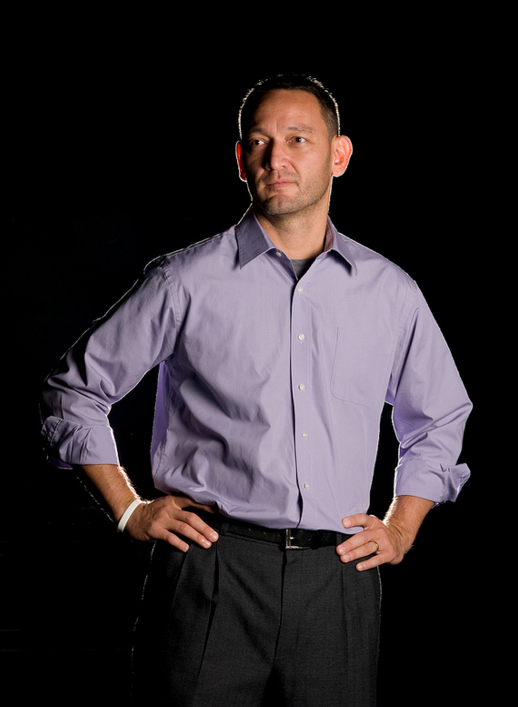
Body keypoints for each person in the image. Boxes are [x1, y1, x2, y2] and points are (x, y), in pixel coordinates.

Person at [40, 74, 472, 706]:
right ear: (240, 161)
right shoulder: (184, 281)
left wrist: (402, 526)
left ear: (339, 155)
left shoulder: (391, 293)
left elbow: (438, 417)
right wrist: (130, 509)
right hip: (210, 570)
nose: (277, 158)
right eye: (259, 142)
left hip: (339, 577)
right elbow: (74, 392)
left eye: (298, 139)